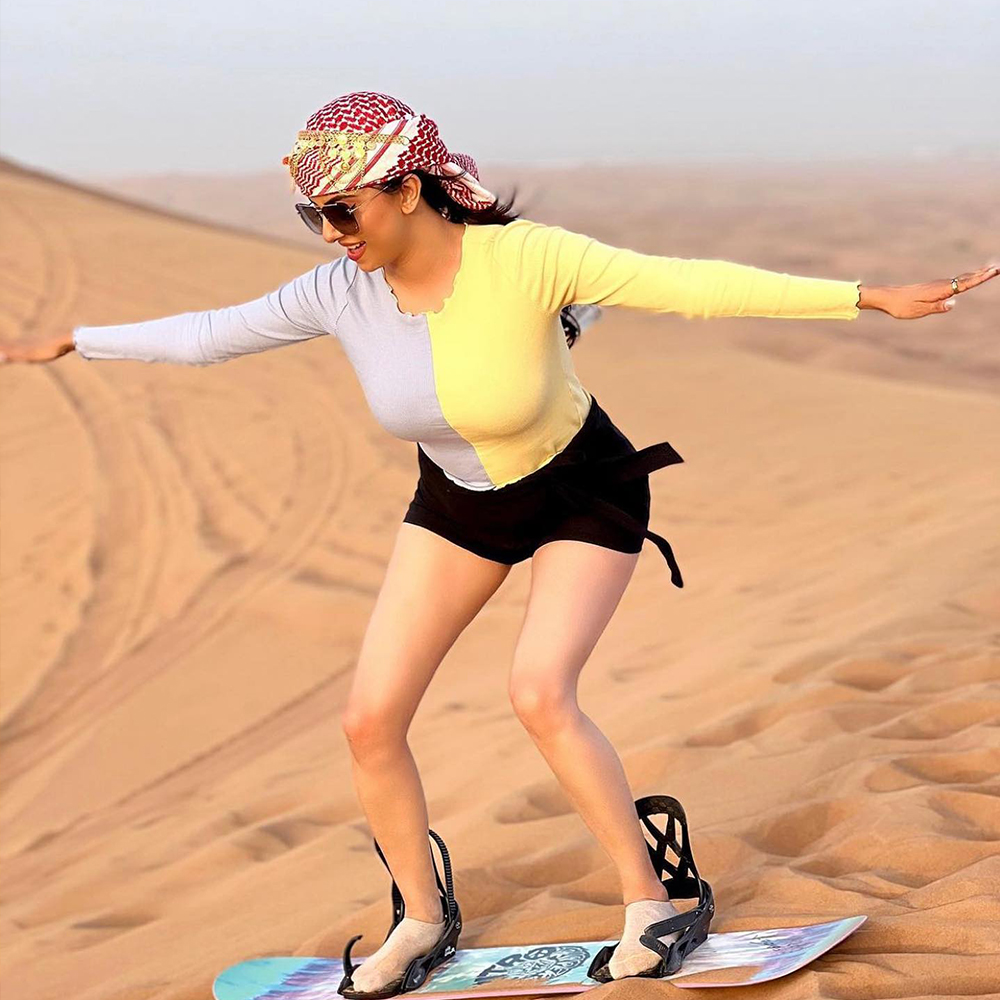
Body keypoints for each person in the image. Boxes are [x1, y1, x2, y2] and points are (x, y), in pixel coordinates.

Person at [3, 91, 996, 997]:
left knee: (538, 693)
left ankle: (655, 902)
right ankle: (420, 918)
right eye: (314, 217)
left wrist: (868, 296)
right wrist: (77, 340)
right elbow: (210, 334)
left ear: (408, 189)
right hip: (460, 506)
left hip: (582, 490)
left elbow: (689, 284)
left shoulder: (527, 258)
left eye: (343, 210)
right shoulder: (336, 292)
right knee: (367, 719)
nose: (332, 234)